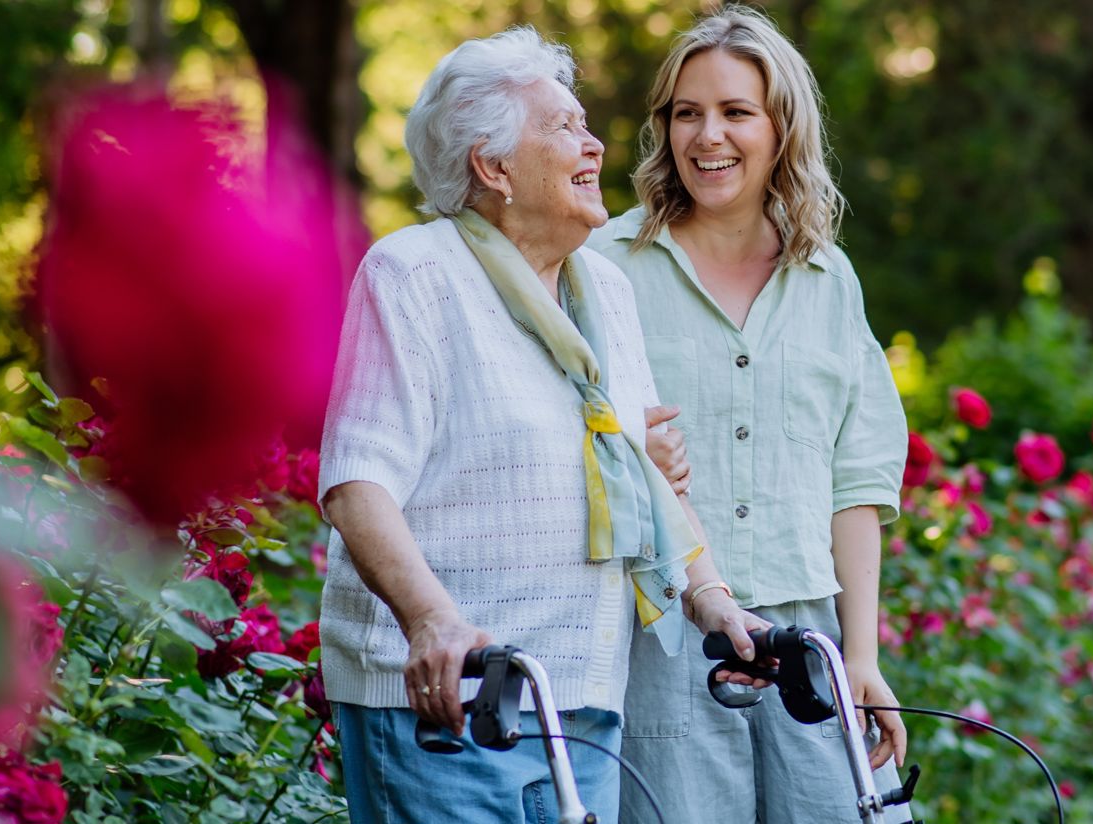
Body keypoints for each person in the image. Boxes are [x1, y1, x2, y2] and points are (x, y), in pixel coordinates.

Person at [316, 26, 767, 824]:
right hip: (450, 704)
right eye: (564, 127)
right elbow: (358, 483)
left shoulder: (604, 291)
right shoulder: (416, 274)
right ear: (493, 166)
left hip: (581, 701)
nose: (594, 143)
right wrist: (433, 620)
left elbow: (642, 476)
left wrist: (715, 600)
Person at [586, 7, 912, 822]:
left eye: (735, 112)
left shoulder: (829, 279)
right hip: (663, 640)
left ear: (781, 128)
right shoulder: (602, 269)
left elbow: (856, 481)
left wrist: (862, 658)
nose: (708, 137)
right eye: (687, 113)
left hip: (809, 642)